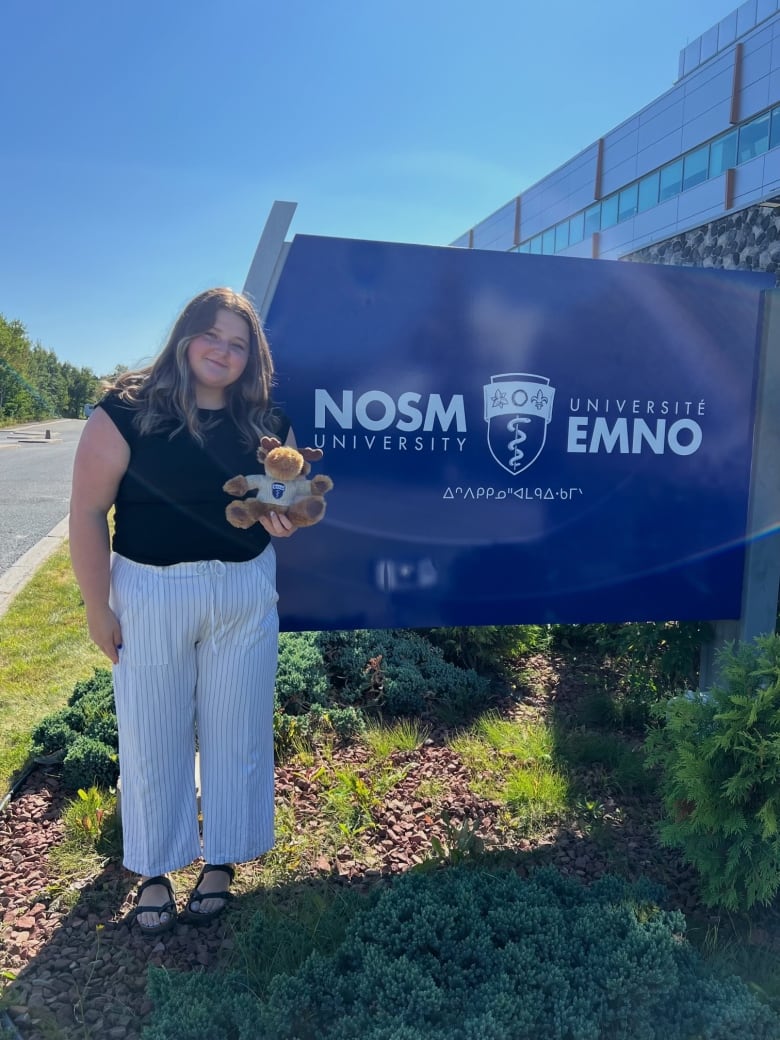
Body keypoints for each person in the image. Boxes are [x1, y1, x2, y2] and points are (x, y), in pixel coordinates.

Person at [69, 287, 295, 936]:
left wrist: (284, 520)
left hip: (243, 593)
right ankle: (155, 871)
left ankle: (222, 859)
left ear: (252, 356)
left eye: (238, 343)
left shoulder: (267, 421)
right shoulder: (124, 411)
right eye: (212, 336)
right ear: (185, 335)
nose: (222, 352)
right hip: (150, 592)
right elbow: (87, 513)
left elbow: (284, 503)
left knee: (237, 731)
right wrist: (96, 607)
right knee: (151, 736)